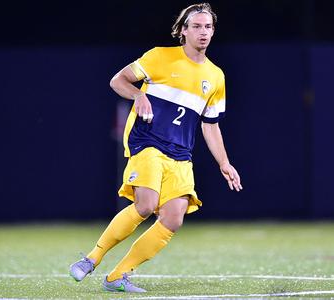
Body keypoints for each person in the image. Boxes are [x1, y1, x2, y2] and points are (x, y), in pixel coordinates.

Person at [69, 2, 242, 293]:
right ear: (183, 31)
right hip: (147, 142)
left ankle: (117, 277)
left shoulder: (216, 77)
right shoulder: (160, 57)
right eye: (196, 26)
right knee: (146, 205)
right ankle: (91, 259)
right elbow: (118, 80)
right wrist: (137, 95)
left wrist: (224, 162)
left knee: (173, 220)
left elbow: (210, 124)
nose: (203, 32)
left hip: (180, 153)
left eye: (208, 27)